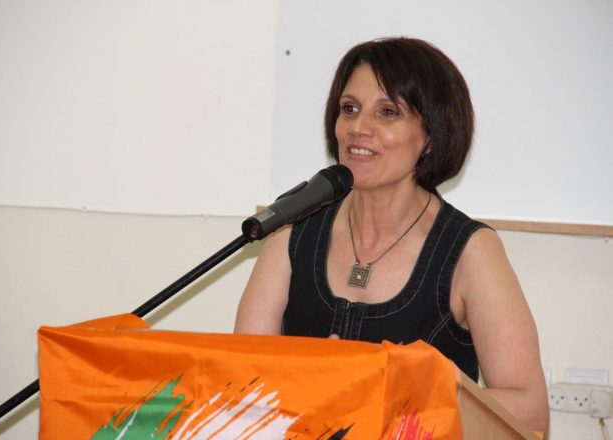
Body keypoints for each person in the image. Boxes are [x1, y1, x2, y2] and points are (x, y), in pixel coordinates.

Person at [234, 37, 549, 432]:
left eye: (387, 112)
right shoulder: (292, 234)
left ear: (430, 137)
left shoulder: (470, 252)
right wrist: (310, 378)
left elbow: (529, 411)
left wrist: (396, 388)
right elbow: (242, 383)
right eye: (349, 109)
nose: (358, 128)